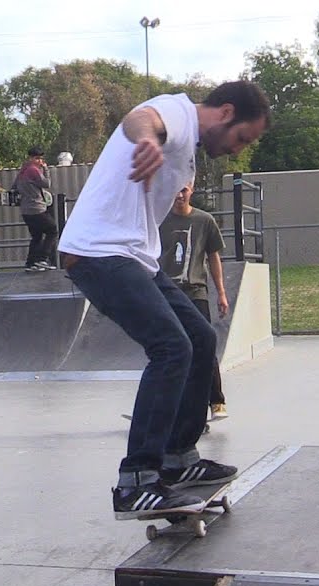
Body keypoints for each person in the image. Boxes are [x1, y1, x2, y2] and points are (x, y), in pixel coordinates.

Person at [56, 80, 271, 520]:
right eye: (241, 138)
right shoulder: (174, 114)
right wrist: (149, 140)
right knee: (171, 347)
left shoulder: (188, 153)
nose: (236, 150)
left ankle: (178, 457)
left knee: (200, 337)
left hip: (137, 256)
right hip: (98, 251)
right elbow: (139, 119)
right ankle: (136, 479)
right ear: (225, 112)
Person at [158, 181, 230, 424]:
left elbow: (213, 257)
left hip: (195, 291)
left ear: (191, 191)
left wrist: (220, 292)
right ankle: (178, 406)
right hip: (167, 292)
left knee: (205, 344)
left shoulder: (204, 221)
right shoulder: (160, 221)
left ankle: (216, 401)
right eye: (175, 191)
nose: (180, 196)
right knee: (173, 350)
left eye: (184, 191)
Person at [15, 146, 58, 272]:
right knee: (52, 230)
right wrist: (45, 169)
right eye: (37, 159)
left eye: (41, 159)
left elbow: (14, 187)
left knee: (37, 236)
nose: (40, 161)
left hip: (26, 210)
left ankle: (31, 263)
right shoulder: (33, 170)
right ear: (31, 158)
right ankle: (42, 259)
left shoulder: (22, 171)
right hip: (37, 208)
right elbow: (47, 184)